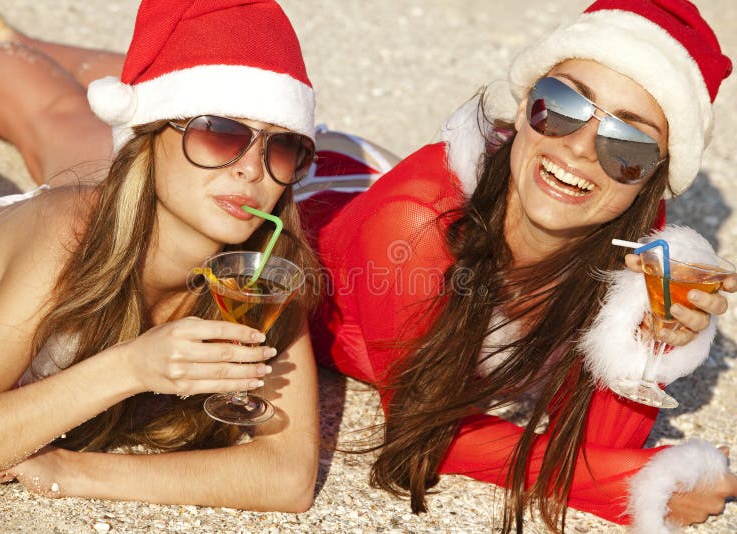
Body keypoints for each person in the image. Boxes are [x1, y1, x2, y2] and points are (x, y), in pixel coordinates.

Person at [297, 0, 737, 532]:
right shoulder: (411, 228)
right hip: (322, 203)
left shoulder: (629, 231)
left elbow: (598, 443)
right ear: (523, 105)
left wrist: (653, 331)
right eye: (561, 105)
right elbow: (423, 427)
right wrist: (637, 483)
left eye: (628, 145)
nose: (577, 148)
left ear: (649, 179)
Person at [0, 0, 321, 512]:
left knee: (63, 119)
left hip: (3, 223)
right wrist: (131, 370)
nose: (250, 169)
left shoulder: (261, 275)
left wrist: (69, 470)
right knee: (57, 117)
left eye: (280, 146)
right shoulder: (70, 239)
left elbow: (287, 476)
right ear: (150, 134)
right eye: (220, 131)